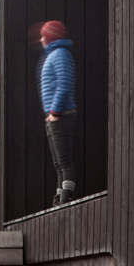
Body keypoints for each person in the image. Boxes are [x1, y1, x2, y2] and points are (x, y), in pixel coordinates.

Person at [36, 21, 77, 206]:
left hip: (61, 115)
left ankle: (66, 195)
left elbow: (64, 83)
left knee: (64, 159)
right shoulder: (53, 55)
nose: (41, 38)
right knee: (57, 161)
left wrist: (54, 111)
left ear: (51, 37)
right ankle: (59, 195)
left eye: (44, 35)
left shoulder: (60, 54)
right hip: (54, 116)